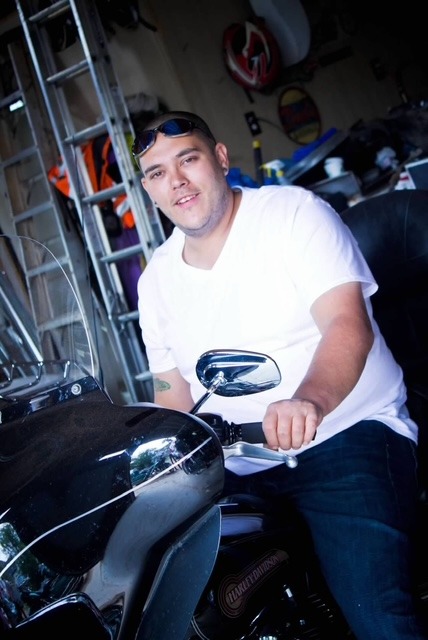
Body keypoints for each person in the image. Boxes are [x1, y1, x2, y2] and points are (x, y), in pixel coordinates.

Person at [132, 110, 427, 639]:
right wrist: (152, 457)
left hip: (346, 435)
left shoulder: (293, 214)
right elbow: (170, 390)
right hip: (237, 469)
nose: (175, 181)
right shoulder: (155, 281)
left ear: (221, 158)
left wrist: (309, 400)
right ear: (149, 190)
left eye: (187, 159)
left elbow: (347, 324)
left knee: (379, 617)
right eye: (157, 173)